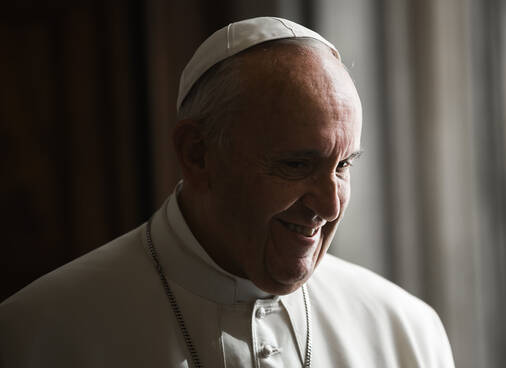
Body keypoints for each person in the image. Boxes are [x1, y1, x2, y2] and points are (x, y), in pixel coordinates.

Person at [0, 17, 454, 367]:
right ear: (198, 154)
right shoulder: (40, 335)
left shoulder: (404, 330)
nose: (330, 205)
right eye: (296, 164)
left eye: (344, 165)